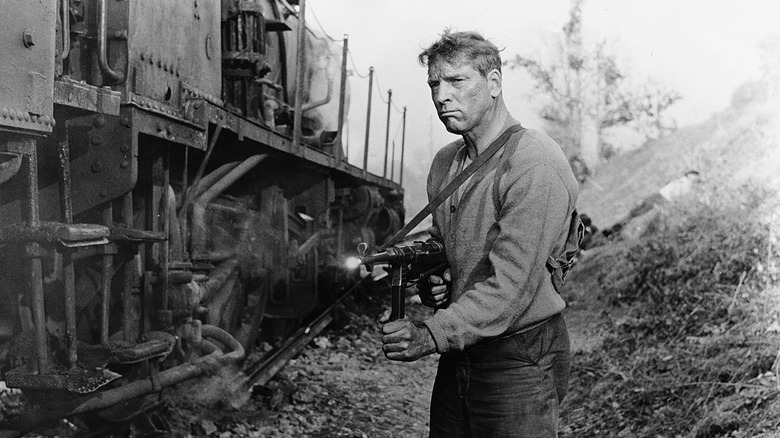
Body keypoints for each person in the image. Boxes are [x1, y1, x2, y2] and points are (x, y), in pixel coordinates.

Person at [379, 29, 579, 437]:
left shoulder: (533, 162)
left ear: (493, 84)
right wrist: (439, 277)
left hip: (519, 358)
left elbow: (511, 285)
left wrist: (428, 334)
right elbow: (450, 245)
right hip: (462, 354)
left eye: (456, 81)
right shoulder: (445, 162)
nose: (440, 96)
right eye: (434, 83)